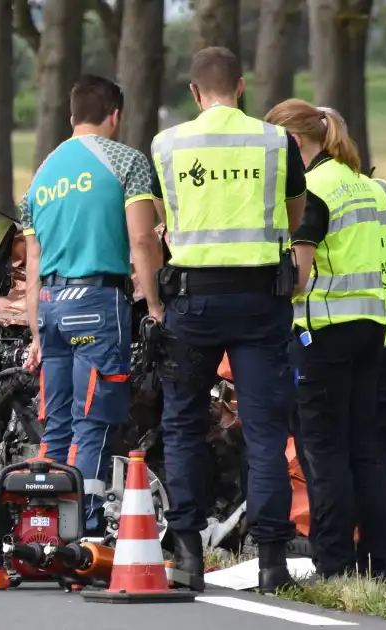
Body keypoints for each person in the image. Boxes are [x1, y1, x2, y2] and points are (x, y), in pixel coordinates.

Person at [147, 46, 308, 594]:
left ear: (195, 93)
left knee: (182, 424)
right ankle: (270, 562)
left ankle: (187, 554)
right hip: (261, 300)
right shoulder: (275, 140)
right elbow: (294, 214)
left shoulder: (166, 145)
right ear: (240, 87)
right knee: (266, 432)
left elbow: (166, 220)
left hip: (192, 302)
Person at [267, 101, 386, 579]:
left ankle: (335, 563)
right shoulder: (381, 191)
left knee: (324, 453)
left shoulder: (310, 193)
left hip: (321, 338)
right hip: (378, 339)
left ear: (294, 144)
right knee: (374, 453)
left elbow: (298, 279)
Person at [19, 74, 165, 534]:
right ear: (115, 115)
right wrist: (157, 306)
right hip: (97, 304)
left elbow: (32, 263)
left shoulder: (41, 175)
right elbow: (143, 238)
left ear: (71, 116)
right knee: (95, 423)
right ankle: (86, 529)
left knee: (55, 424)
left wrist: (35, 334)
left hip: (48, 305)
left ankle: (41, 526)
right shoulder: (127, 162)